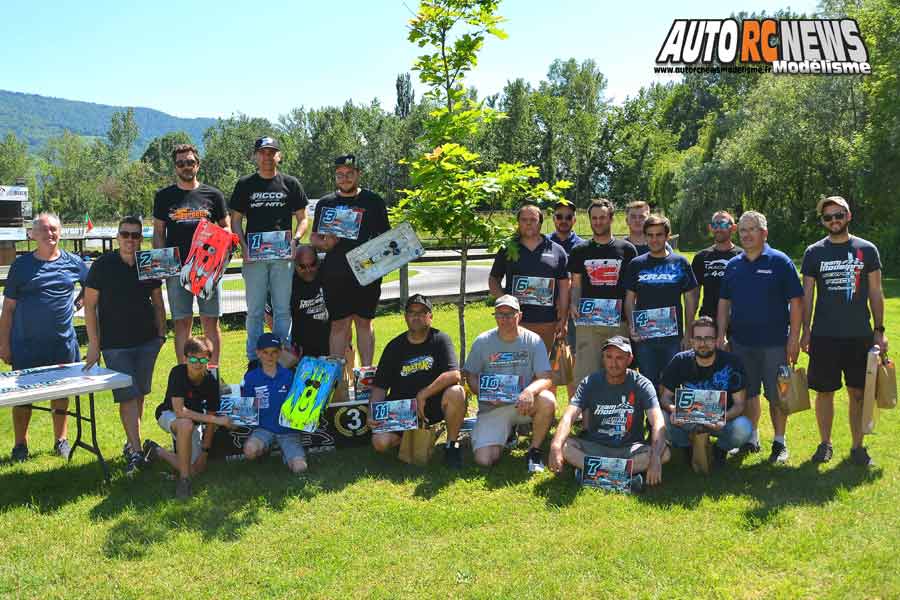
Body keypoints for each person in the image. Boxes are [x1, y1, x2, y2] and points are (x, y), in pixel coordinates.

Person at [801, 196, 886, 467]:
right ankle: (825, 444)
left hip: (859, 335)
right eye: (828, 217)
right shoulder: (814, 252)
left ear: (848, 215)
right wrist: (805, 332)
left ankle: (858, 447)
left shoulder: (867, 250)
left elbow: (876, 291)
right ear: (823, 221)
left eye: (838, 215)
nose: (834, 221)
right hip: (824, 336)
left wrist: (879, 331)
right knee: (824, 392)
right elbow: (808, 296)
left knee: (859, 392)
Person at [83, 217, 167, 476]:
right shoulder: (102, 265)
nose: (130, 239)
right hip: (114, 345)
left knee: (139, 393)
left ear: (140, 238)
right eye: (125, 234)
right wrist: (94, 345)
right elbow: (89, 305)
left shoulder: (148, 263)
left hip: (146, 341)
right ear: (117, 237)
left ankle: (132, 444)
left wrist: (161, 334)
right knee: (127, 396)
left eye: (135, 235)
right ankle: (137, 451)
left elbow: (158, 301)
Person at [0, 212, 87, 461]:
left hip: (62, 344)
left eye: (54, 230)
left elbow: (91, 287)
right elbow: (8, 309)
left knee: (61, 395)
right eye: (45, 230)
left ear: (60, 233)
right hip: (26, 345)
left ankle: (61, 440)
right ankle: (20, 445)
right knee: (23, 397)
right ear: (33, 234)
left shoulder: (73, 262)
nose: (50, 234)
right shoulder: (21, 266)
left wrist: (78, 303)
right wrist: (3, 344)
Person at [718, 211, 803, 464]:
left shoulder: (780, 261)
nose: (746, 234)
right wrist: (722, 335)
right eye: (742, 230)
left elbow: (796, 302)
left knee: (778, 395)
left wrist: (794, 338)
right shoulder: (733, 265)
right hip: (742, 344)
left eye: (752, 229)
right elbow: (724, 303)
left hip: (776, 343)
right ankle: (751, 439)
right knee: (748, 394)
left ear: (764, 233)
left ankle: (779, 443)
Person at [548, 336, 670, 487]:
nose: (613, 363)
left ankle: (592, 474)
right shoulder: (590, 382)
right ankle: (623, 477)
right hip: (596, 446)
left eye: (619, 358)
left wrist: (656, 457)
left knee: (664, 454)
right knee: (564, 445)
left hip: (629, 448)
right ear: (603, 358)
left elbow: (657, 421)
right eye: (609, 357)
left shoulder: (642, 384)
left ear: (629, 359)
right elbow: (568, 416)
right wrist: (555, 445)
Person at [230, 136, 309, 367]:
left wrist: (295, 240)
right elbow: (236, 221)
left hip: (283, 256)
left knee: (282, 309)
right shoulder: (245, 184)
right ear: (256, 156)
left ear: (279, 156)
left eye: (271, 152)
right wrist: (243, 247)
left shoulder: (290, 183)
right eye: (262, 152)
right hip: (254, 257)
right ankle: (254, 359)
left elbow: (303, 219)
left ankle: (282, 356)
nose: (267, 156)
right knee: (254, 310)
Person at [153, 143, 230, 366]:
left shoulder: (213, 194)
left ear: (198, 164)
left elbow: (226, 227)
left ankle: (213, 374)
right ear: (175, 167)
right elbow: (159, 233)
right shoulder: (164, 196)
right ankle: (184, 375)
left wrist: (221, 243)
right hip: (177, 269)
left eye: (190, 162)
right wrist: (162, 264)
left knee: (210, 323)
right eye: (181, 163)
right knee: (181, 323)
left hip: (207, 268)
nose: (186, 167)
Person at [369, 294, 467, 468]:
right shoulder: (394, 346)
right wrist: (372, 411)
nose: (416, 316)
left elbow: (455, 375)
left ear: (430, 316)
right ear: (405, 316)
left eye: (422, 312)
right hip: (402, 410)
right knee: (380, 443)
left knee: (457, 392)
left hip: (432, 405)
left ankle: (452, 446)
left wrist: (424, 394)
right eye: (412, 312)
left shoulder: (440, 339)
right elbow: (380, 386)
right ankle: (412, 438)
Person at [311, 154, 390, 367]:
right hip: (335, 273)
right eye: (340, 175)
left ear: (358, 174)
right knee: (339, 325)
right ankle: (337, 380)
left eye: (349, 174)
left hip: (367, 271)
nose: (345, 178)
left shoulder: (373, 201)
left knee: (364, 323)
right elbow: (314, 237)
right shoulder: (326, 203)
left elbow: (387, 239)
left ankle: (365, 374)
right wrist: (325, 244)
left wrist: (378, 261)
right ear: (335, 176)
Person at [463, 295, 556, 473]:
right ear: (495, 316)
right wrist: (483, 393)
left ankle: (534, 451)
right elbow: (471, 375)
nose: (504, 319)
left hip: (522, 405)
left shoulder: (533, 341)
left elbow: (545, 377)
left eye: (509, 314)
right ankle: (506, 434)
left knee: (548, 400)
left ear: (519, 316)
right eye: (500, 314)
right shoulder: (483, 341)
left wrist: (529, 391)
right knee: (485, 460)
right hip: (493, 408)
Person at [659, 317, 753, 473]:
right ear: (692, 341)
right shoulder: (680, 361)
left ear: (716, 341)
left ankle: (720, 450)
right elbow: (664, 397)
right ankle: (687, 448)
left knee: (743, 427)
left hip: (720, 420)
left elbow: (739, 404)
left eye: (708, 338)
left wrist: (722, 418)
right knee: (662, 418)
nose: (703, 343)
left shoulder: (732, 363)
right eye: (698, 338)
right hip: (687, 420)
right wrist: (673, 410)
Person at [144, 336, 233, 499]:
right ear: (185, 358)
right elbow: (180, 411)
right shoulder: (178, 372)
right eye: (192, 358)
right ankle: (184, 482)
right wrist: (217, 420)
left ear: (209, 360)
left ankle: (157, 451)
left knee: (196, 470)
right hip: (169, 415)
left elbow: (211, 417)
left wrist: (205, 453)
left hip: (195, 422)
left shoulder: (212, 382)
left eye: (202, 359)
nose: (197, 363)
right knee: (185, 424)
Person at [624, 214, 698, 391]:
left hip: (673, 337)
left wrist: (688, 332)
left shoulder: (680, 262)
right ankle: (652, 419)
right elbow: (629, 299)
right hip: (645, 336)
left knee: (672, 380)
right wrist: (633, 327)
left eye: (659, 235)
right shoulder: (636, 264)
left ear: (667, 236)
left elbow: (690, 298)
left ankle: (670, 418)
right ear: (645, 236)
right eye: (650, 235)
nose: (654, 239)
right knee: (648, 381)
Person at [568, 199, 637, 388]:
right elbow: (576, 284)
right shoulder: (579, 250)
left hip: (619, 321)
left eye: (603, 217)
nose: (598, 222)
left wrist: (631, 320)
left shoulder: (627, 249)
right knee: (585, 373)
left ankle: (616, 414)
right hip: (588, 320)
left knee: (618, 372)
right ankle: (588, 416)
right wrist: (573, 303)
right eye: (594, 218)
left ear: (611, 219)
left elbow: (632, 289)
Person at [489, 203, 570, 357]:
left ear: (540, 223)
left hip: (547, 322)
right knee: (514, 365)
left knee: (542, 369)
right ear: (518, 223)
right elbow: (493, 279)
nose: (528, 223)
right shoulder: (508, 248)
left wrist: (563, 319)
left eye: (533, 220)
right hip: (515, 322)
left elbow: (565, 287)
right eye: (524, 219)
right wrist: (504, 302)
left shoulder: (556, 251)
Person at [241, 333, 308, 473]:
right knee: (249, 451)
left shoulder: (290, 376)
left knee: (300, 468)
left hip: (288, 430)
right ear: (258, 353)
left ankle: (288, 453)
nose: (269, 356)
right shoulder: (251, 377)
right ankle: (265, 448)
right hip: (264, 428)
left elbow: (300, 406)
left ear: (280, 353)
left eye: (274, 352)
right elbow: (246, 409)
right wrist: (236, 419)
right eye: (265, 352)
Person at [550, 198, 586, 398]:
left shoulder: (582, 246)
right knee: (548, 359)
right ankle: (549, 406)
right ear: (553, 219)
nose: (563, 220)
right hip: (546, 311)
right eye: (559, 216)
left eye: (568, 217)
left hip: (574, 310)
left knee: (571, 359)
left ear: (574, 220)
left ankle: (576, 408)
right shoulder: (545, 242)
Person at [691, 211, 742, 319]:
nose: (718, 228)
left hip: (737, 322)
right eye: (715, 225)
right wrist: (690, 326)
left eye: (723, 224)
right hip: (708, 323)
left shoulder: (743, 257)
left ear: (733, 228)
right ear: (710, 228)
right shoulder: (701, 257)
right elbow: (694, 296)